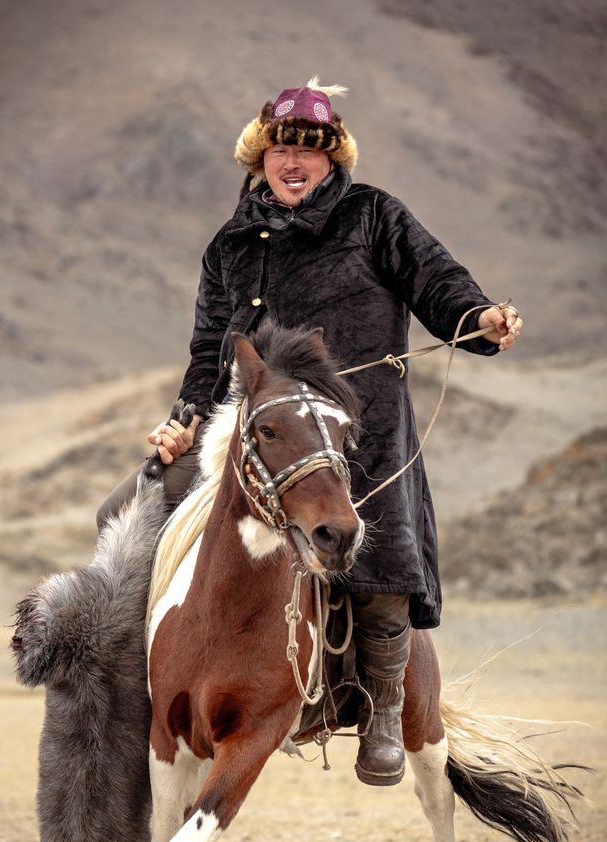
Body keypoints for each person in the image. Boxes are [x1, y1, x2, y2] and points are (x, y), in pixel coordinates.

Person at [98, 77, 522, 787]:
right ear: (259, 157)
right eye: (280, 150)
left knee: (379, 550)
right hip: (253, 435)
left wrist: (478, 318)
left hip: (360, 430)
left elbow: (438, 282)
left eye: (309, 151)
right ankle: (128, 681)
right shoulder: (230, 245)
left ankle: (383, 710)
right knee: (125, 511)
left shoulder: (374, 216)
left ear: (332, 158)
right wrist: (184, 421)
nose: (293, 163)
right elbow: (209, 350)